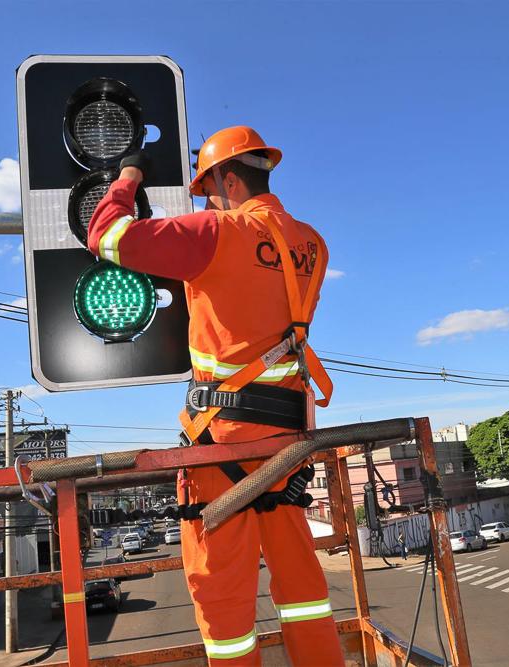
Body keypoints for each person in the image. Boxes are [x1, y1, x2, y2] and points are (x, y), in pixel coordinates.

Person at [88, 126, 342, 665]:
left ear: (227, 178)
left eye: (207, 190)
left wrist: (129, 176)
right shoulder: (312, 244)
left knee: (222, 598)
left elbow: (106, 236)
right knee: (302, 590)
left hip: (222, 442)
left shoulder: (215, 231)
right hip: (288, 446)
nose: (206, 200)